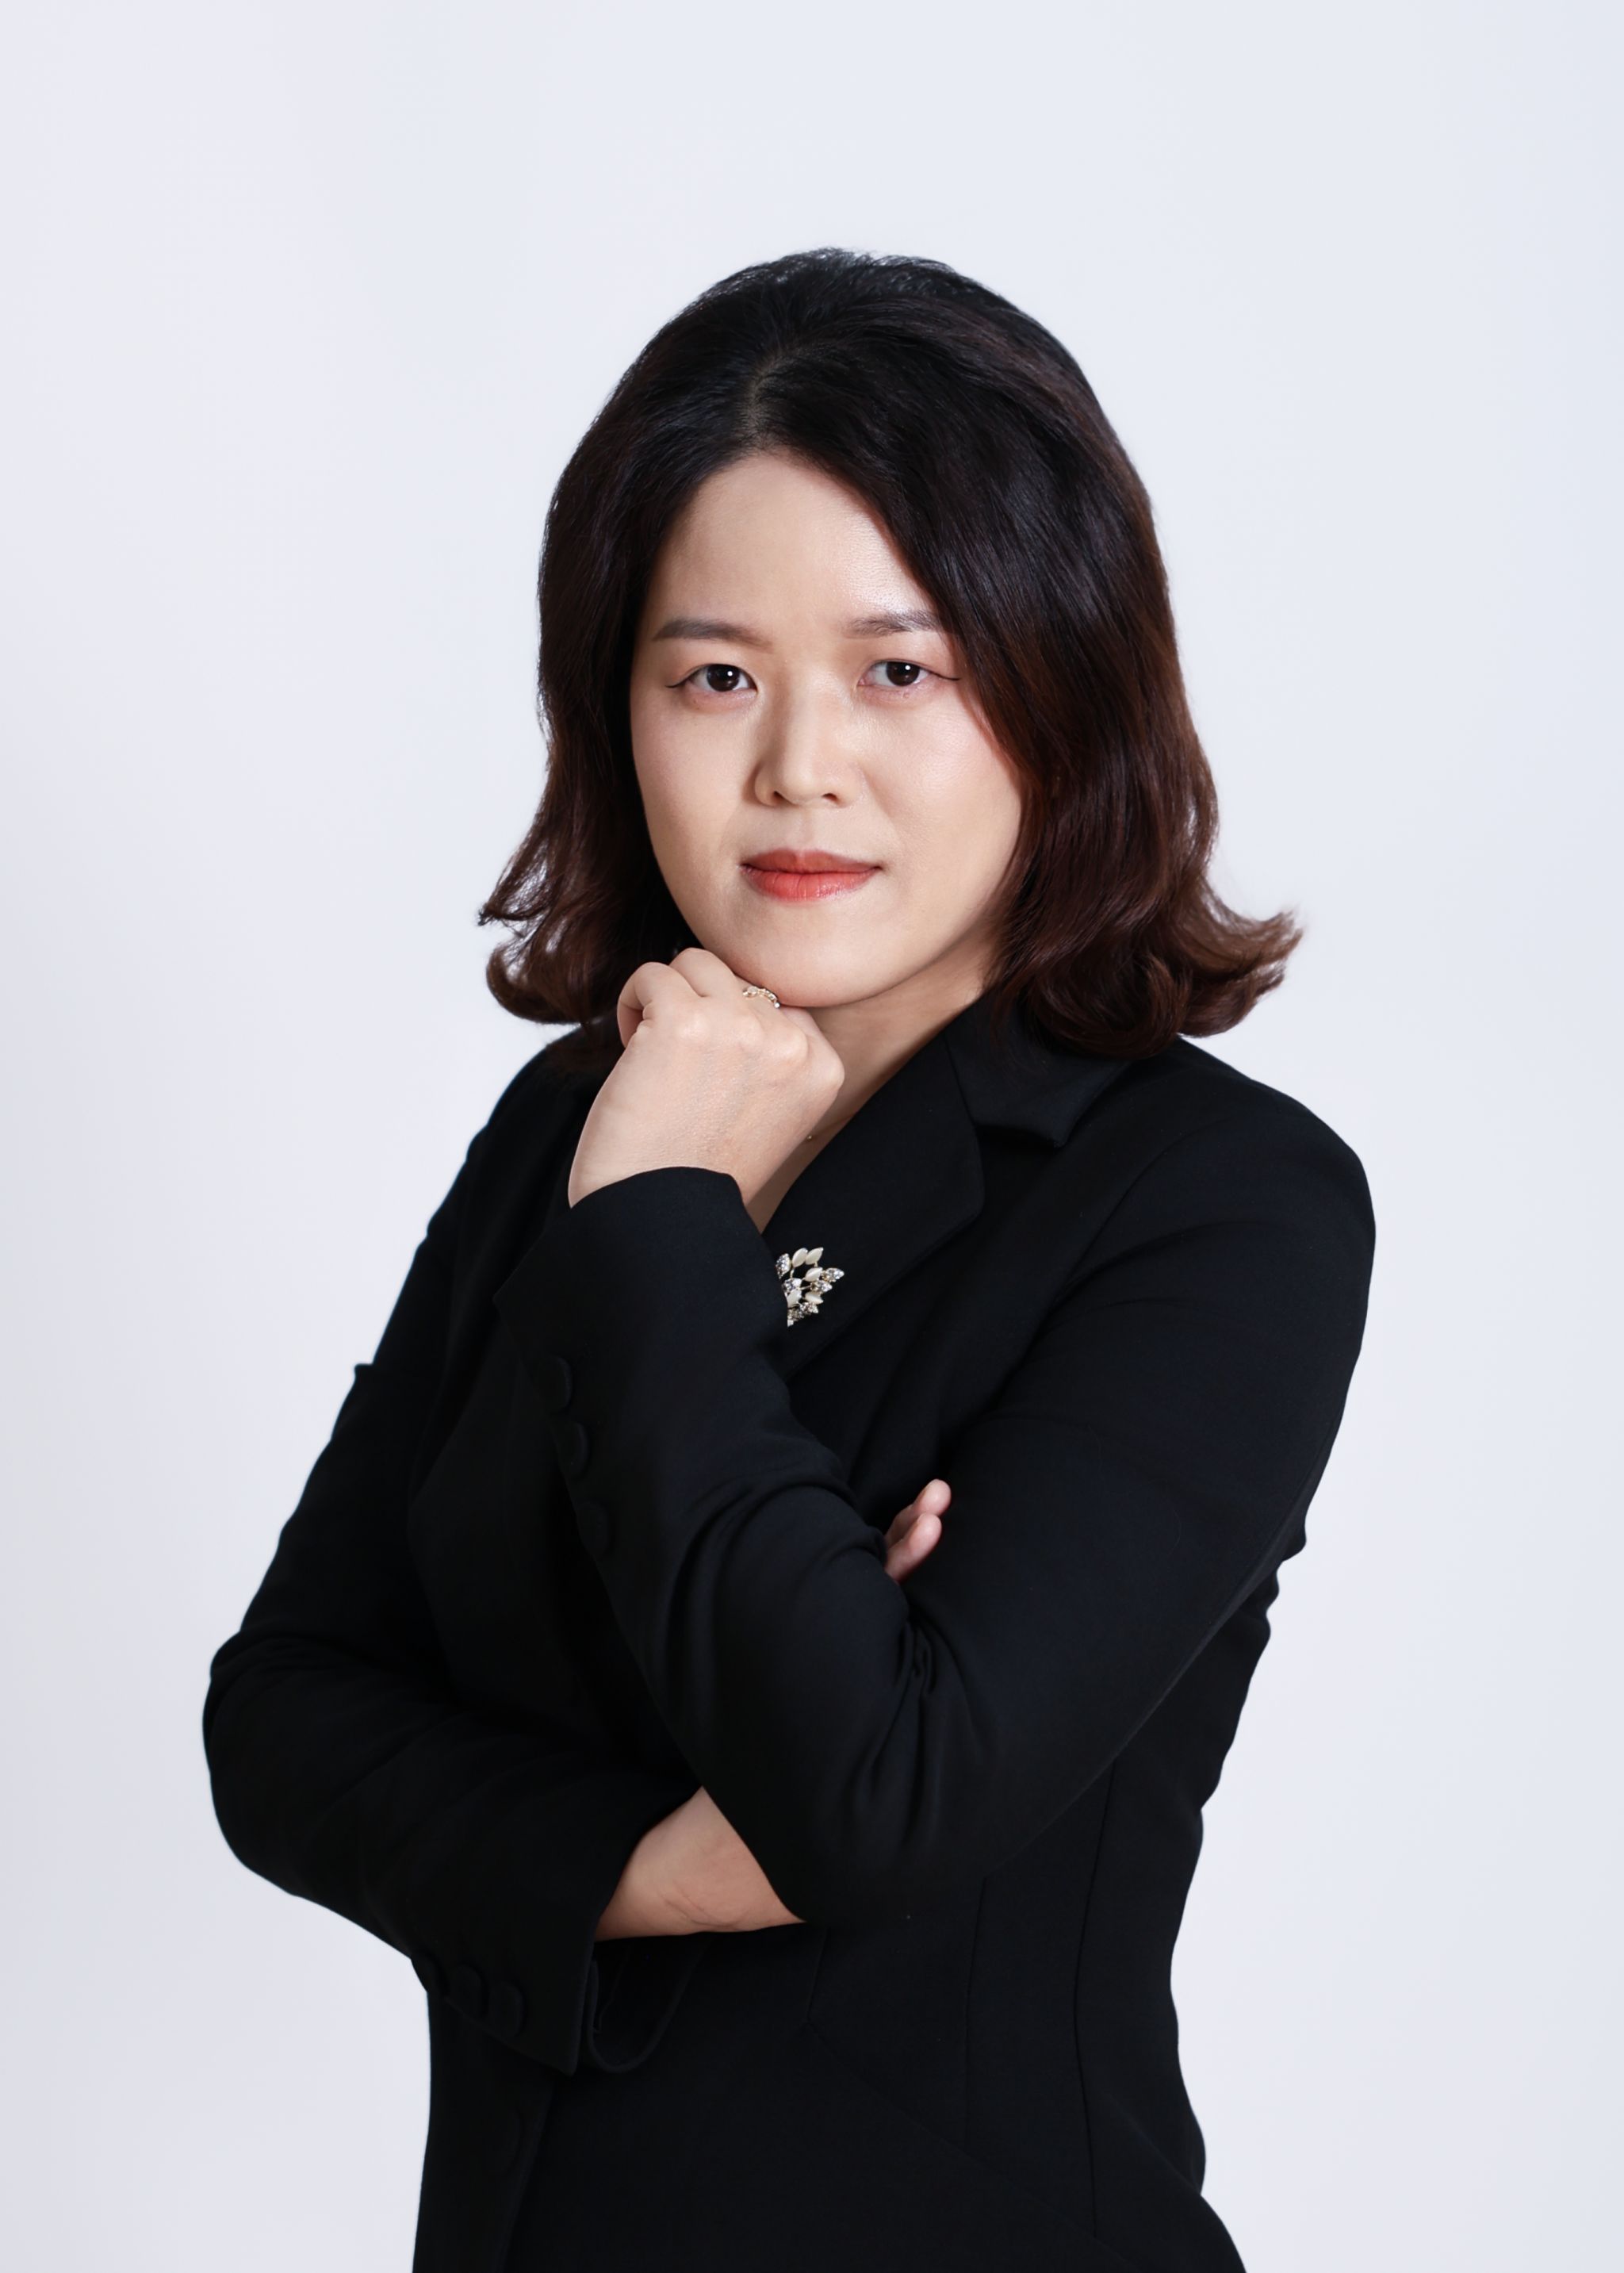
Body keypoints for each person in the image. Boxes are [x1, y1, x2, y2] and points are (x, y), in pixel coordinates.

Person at [204, 248, 1375, 2273]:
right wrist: (650, 1862)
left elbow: (866, 1794)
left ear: (1065, 681)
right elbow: (281, 1722)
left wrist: (667, 1227)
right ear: (617, 708)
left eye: (901, 670)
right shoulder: (572, 1125)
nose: (798, 767)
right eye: (716, 674)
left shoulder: (1217, 1201)